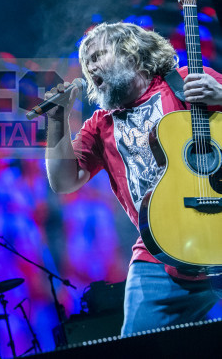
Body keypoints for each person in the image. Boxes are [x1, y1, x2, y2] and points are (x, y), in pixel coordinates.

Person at [45, 21, 222, 336]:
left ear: (132, 53)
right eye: (87, 64)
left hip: (217, 228)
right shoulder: (100, 125)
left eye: (99, 56)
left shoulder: (185, 83)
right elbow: (62, 182)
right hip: (160, 256)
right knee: (136, 345)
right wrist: (57, 122)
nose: (91, 68)